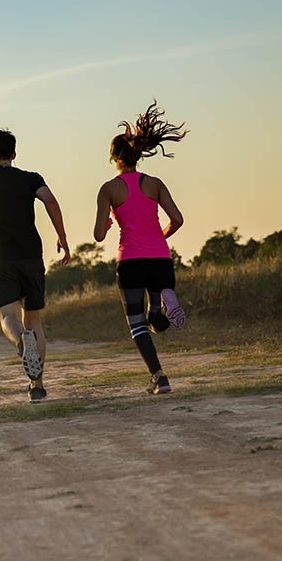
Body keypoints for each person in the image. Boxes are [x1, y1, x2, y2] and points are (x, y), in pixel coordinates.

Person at [0, 128, 71, 403]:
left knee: (8, 316)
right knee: (33, 320)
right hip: (31, 255)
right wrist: (62, 237)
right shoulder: (31, 178)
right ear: (14, 153)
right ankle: (37, 386)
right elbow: (51, 201)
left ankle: (22, 341)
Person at [93, 101, 188, 395]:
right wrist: (160, 236)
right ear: (137, 154)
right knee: (154, 318)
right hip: (160, 259)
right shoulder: (155, 183)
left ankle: (159, 377)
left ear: (113, 158)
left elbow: (98, 235)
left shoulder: (108, 189)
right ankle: (162, 304)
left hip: (131, 262)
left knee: (137, 326)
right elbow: (177, 219)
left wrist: (108, 223)